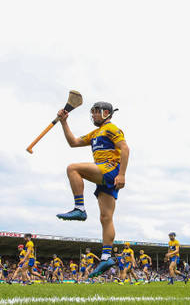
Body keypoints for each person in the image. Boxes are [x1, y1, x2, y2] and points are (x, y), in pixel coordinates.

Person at [56, 101, 130, 278]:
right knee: (106, 218)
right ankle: (106, 257)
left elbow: (125, 149)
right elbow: (73, 142)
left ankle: (79, 208)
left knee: (73, 168)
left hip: (110, 169)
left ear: (106, 112)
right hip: (105, 174)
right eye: (93, 112)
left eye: (96, 112)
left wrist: (122, 174)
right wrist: (64, 122)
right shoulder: (95, 133)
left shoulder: (111, 129)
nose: (94, 115)